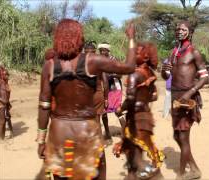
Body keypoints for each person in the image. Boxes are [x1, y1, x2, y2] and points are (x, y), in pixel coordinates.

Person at [36, 19, 136, 180]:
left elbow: (44, 106)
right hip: (87, 134)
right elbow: (130, 67)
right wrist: (131, 38)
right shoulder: (93, 61)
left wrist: (41, 140)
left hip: (59, 134)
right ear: (79, 37)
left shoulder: (50, 66)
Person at [161, 21, 209, 179]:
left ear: (189, 32)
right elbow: (166, 77)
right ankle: (194, 169)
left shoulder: (194, 52)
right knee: (177, 135)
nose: (179, 31)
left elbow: (205, 77)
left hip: (187, 99)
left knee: (183, 136)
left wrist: (190, 93)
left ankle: (181, 174)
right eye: (177, 29)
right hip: (175, 97)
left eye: (183, 29)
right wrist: (164, 71)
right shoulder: (173, 52)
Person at [113, 42, 164, 180]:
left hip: (136, 120)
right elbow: (154, 96)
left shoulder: (135, 75)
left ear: (146, 57)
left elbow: (130, 98)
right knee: (131, 157)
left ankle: (156, 175)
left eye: (136, 53)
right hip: (144, 116)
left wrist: (120, 108)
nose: (132, 56)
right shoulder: (149, 73)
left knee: (137, 160)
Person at [98, 42, 125, 146]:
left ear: (108, 51)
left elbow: (120, 74)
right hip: (104, 89)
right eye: (100, 51)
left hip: (114, 89)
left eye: (103, 50)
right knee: (103, 112)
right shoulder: (99, 62)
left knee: (118, 111)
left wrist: (109, 75)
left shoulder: (113, 60)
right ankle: (108, 134)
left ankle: (125, 135)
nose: (101, 52)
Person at [0, 66, 13, 140]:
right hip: (0, 103)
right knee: (2, 120)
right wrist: (2, 100)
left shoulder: (5, 83)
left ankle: (2, 137)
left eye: (7, 74)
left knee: (5, 119)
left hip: (5, 103)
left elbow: (7, 95)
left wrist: (7, 102)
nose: (7, 76)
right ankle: (0, 138)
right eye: (6, 74)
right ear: (1, 74)